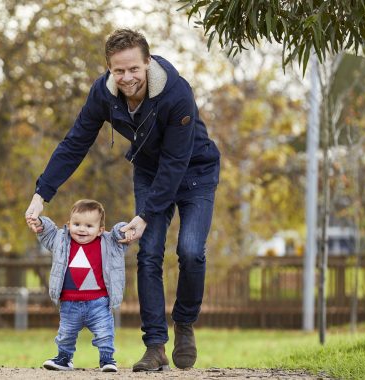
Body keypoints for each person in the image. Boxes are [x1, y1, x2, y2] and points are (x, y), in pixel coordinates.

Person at [25, 28, 220, 371]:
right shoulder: (104, 94)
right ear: (109, 70)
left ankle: (185, 324)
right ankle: (155, 347)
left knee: (190, 251)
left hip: (194, 173)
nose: (127, 78)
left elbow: (175, 163)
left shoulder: (176, 94)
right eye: (118, 70)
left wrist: (144, 214)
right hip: (148, 172)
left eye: (133, 69)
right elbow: (75, 143)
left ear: (147, 63)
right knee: (148, 253)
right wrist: (42, 194)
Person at [27, 199, 129, 372]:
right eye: (77, 224)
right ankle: (64, 359)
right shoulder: (61, 240)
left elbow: (120, 235)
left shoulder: (107, 243)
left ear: (100, 230)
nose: (82, 229)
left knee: (105, 333)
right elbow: (48, 233)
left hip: (99, 302)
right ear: (69, 224)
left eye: (89, 226)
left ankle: (107, 360)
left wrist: (124, 230)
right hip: (69, 303)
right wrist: (39, 222)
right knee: (65, 334)